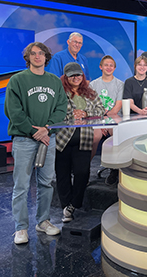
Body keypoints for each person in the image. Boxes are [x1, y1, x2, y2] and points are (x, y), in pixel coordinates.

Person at [5, 42, 68, 245]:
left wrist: (46, 129)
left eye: (41, 53)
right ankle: (21, 228)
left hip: (47, 138)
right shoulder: (17, 80)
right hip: (24, 139)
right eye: (33, 54)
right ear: (28, 57)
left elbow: (61, 108)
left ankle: (43, 221)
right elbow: (13, 111)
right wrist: (35, 132)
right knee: (21, 186)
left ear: (46, 57)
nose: (37, 56)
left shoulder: (54, 81)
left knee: (46, 182)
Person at [55, 62, 106, 223]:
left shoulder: (90, 93)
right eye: (72, 75)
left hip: (84, 139)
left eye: (78, 75)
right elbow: (53, 112)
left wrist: (85, 112)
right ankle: (66, 207)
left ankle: (73, 204)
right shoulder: (59, 93)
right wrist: (71, 114)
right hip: (62, 140)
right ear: (66, 77)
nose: (76, 78)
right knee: (62, 175)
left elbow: (100, 110)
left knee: (82, 173)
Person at [89, 55, 124, 185]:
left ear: (114, 68)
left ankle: (114, 170)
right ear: (101, 67)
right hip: (97, 119)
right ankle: (85, 169)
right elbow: (91, 106)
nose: (109, 67)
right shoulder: (93, 84)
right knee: (95, 136)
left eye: (111, 65)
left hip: (114, 119)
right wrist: (101, 122)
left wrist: (106, 121)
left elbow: (118, 106)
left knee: (118, 134)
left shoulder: (120, 84)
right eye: (106, 65)